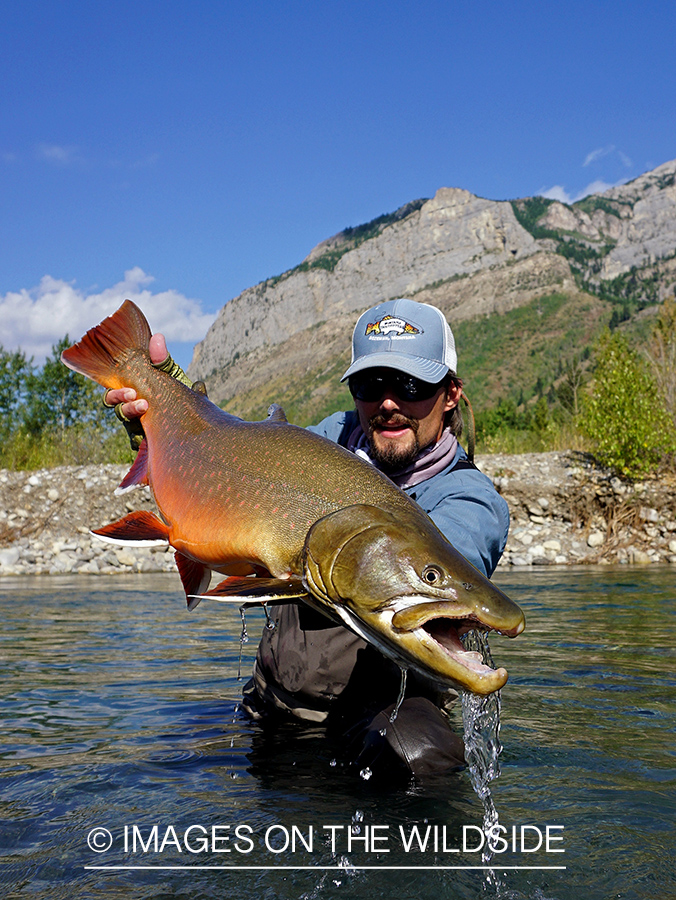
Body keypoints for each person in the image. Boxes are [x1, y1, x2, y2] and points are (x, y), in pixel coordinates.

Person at [106, 298, 509, 780]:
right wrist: (169, 408)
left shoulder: (471, 499)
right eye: (369, 384)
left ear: (450, 394)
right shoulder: (326, 439)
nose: (387, 402)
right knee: (157, 765)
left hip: (383, 713)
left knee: (418, 756)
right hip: (275, 700)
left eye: (412, 385)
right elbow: (230, 448)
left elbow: (439, 578)